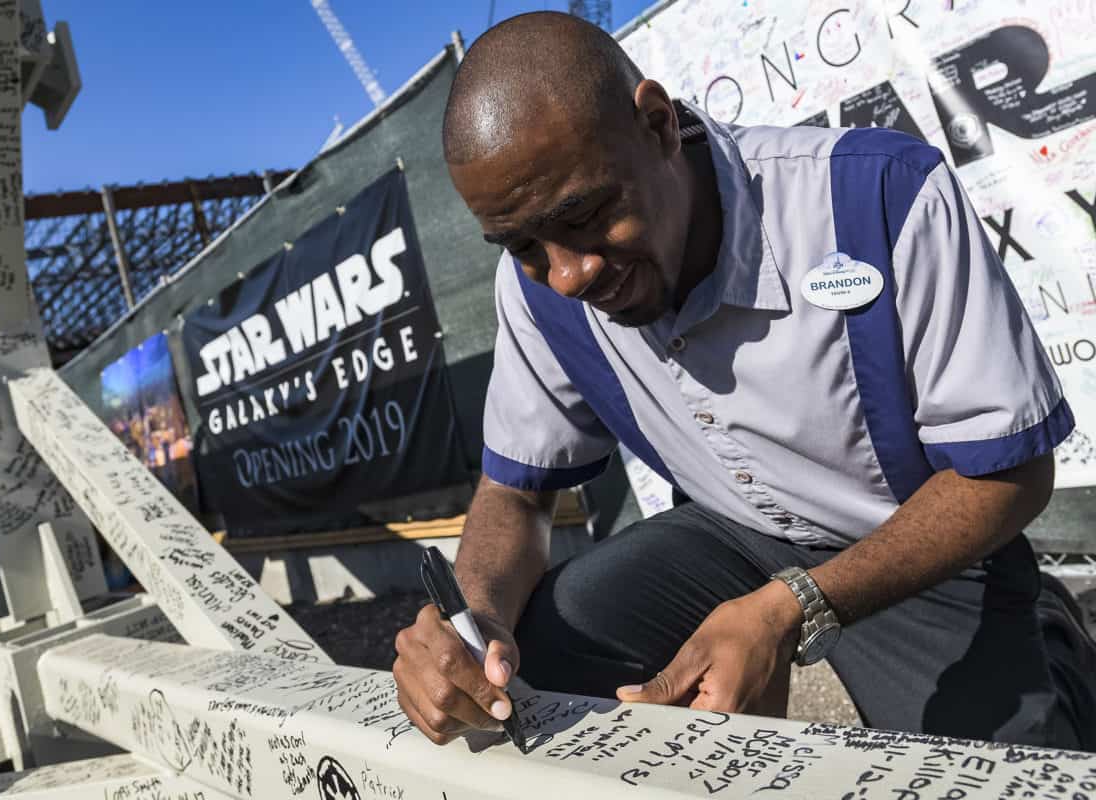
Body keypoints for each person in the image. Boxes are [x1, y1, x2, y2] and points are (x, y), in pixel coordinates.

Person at [393, 11, 1095, 749]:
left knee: (997, 774)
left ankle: (1058, 650)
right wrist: (476, 624)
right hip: (726, 536)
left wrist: (793, 605)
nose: (568, 275)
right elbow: (515, 491)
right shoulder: (535, 286)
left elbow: (1009, 476)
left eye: (586, 215)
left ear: (658, 126)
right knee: (538, 656)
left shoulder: (878, 195)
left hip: (916, 554)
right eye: (521, 244)